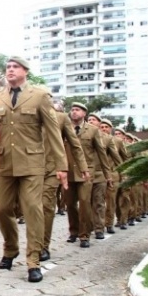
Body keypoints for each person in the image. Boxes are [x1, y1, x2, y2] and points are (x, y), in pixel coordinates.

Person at [0, 56, 67, 283]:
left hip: (32, 164)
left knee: (33, 209)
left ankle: (33, 261)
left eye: (15, 67)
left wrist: (61, 166)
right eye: (8, 67)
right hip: (5, 164)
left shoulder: (39, 96)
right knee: (2, 209)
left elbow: (54, 133)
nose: (10, 70)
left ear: (25, 71)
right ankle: (10, 248)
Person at [41, 100, 88, 262]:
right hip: (29, 168)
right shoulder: (29, 115)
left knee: (47, 206)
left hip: (52, 168)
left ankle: (43, 246)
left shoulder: (61, 119)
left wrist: (83, 167)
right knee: (31, 209)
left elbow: (75, 145)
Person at [66, 103, 110, 248]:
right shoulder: (65, 128)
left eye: (77, 110)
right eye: (72, 110)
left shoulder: (92, 130)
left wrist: (107, 174)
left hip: (86, 173)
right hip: (69, 172)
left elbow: (102, 153)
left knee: (85, 203)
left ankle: (84, 235)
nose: (74, 112)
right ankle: (74, 231)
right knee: (70, 204)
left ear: (84, 113)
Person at [87, 112, 120, 239]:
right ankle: (87, 227)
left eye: (94, 120)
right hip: (85, 174)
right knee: (85, 203)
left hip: (100, 175)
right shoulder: (81, 135)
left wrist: (123, 172)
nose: (91, 121)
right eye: (89, 119)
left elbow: (116, 158)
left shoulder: (107, 139)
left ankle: (99, 228)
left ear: (98, 123)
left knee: (99, 202)